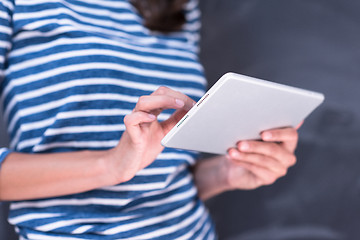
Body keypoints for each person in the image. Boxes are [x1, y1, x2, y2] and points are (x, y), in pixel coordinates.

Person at [0, 0, 298, 239]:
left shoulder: (179, 8)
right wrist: (111, 165)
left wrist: (224, 172)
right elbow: (125, 163)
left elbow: (163, 173)